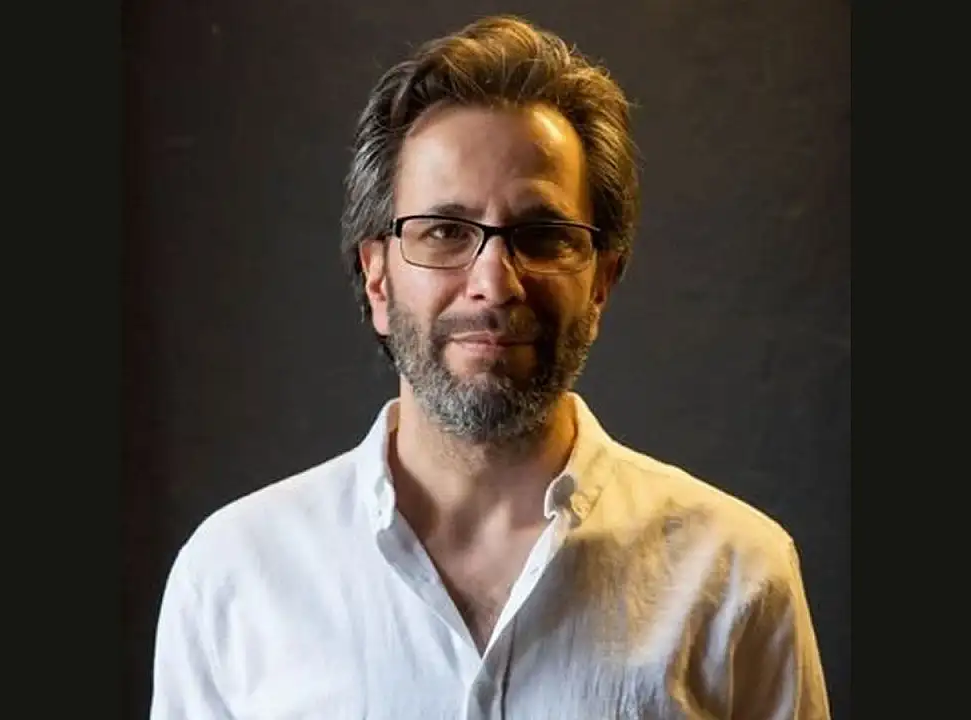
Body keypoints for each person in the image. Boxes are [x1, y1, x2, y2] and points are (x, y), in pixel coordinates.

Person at [150, 14, 830, 720]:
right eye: (445, 231)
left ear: (601, 281)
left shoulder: (735, 573)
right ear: (377, 279)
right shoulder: (235, 572)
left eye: (542, 235)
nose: (494, 283)